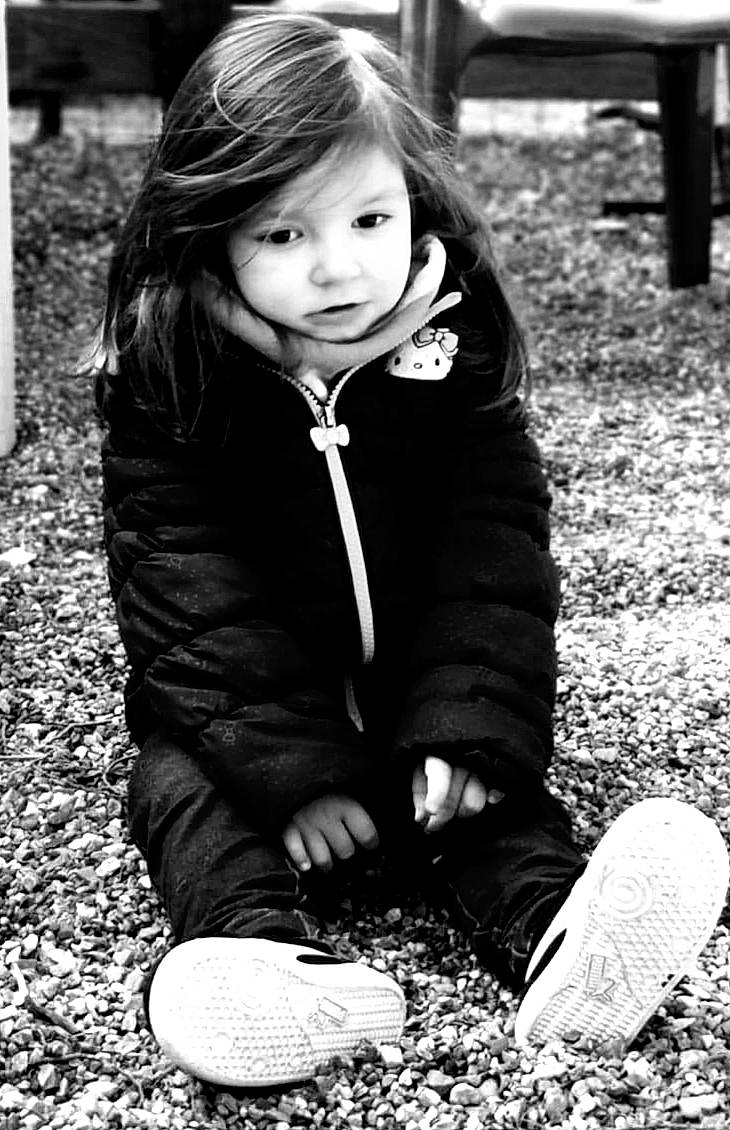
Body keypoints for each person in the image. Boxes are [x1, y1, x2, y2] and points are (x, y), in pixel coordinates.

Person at [90, 10, 728, 1089]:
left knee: (496, 805)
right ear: (209, 230)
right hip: (242, 718)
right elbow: (184, 594)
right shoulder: (175, 376)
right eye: (281, 235)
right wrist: (293, 774)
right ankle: (265, 963)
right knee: (181, 794)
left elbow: (494, 564)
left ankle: (562, 942)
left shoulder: (453, 350)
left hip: (412, 701)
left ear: (414, 200)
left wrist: (464, 734)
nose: (337, 266)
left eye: (369, 218)